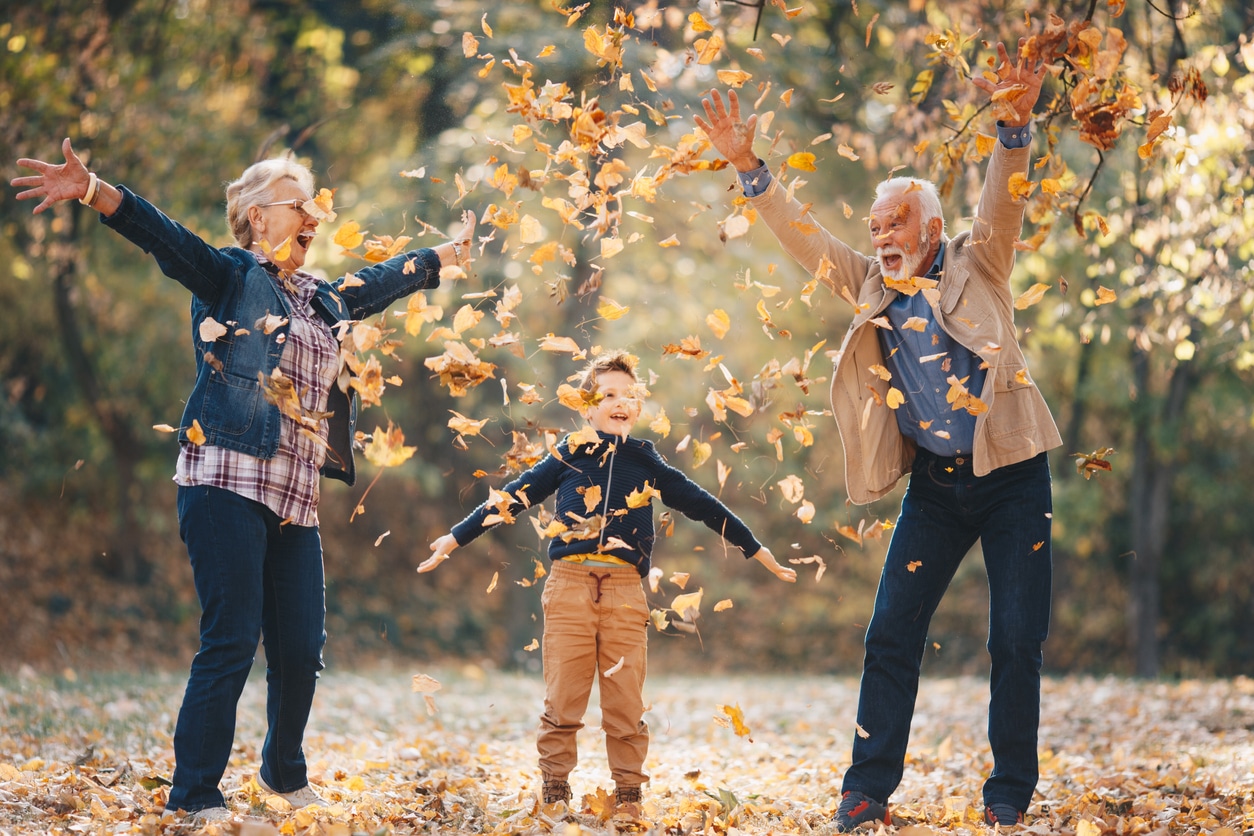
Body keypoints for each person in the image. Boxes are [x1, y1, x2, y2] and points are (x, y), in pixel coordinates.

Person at [11, 139, 476, 823]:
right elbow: (166, 240)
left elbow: (380, 279)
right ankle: (194, 792)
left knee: (301, 647)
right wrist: (93, 191)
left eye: (316, 205)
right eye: (299, 203)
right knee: (232, 636)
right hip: (224, 479)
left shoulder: (322, 299)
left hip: (295, 498)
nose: (313, 215)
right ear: (259, 217)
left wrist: (445, 256)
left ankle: (283, 776)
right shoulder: (233, 277)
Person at [696, 39, 1060, 830]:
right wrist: (750, 171)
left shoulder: (979, 263)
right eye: (875, 224)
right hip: (936, 488)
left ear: (930, 228)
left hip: (1014, 478)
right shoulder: (865, 281)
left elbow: (1004, 202)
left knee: (1015, 642)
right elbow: (803, 237)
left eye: (896, 223)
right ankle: (865, 792)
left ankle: (1007, 799)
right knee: (890, 630)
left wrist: (1014, 130)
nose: (882, 235)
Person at [419, 350, 797, 808]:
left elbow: (704, 505)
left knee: (625, 706)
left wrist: (756, 549)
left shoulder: (647, 461)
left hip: (623, 593)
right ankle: (555, 787)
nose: (620, 401)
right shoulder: (569, 454)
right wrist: (457, 537)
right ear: (587, 407)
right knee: (563, 699)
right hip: (568, 587)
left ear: (637, 408)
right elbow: (514, 495)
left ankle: (629, 792)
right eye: (608, 394)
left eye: (629, 395)